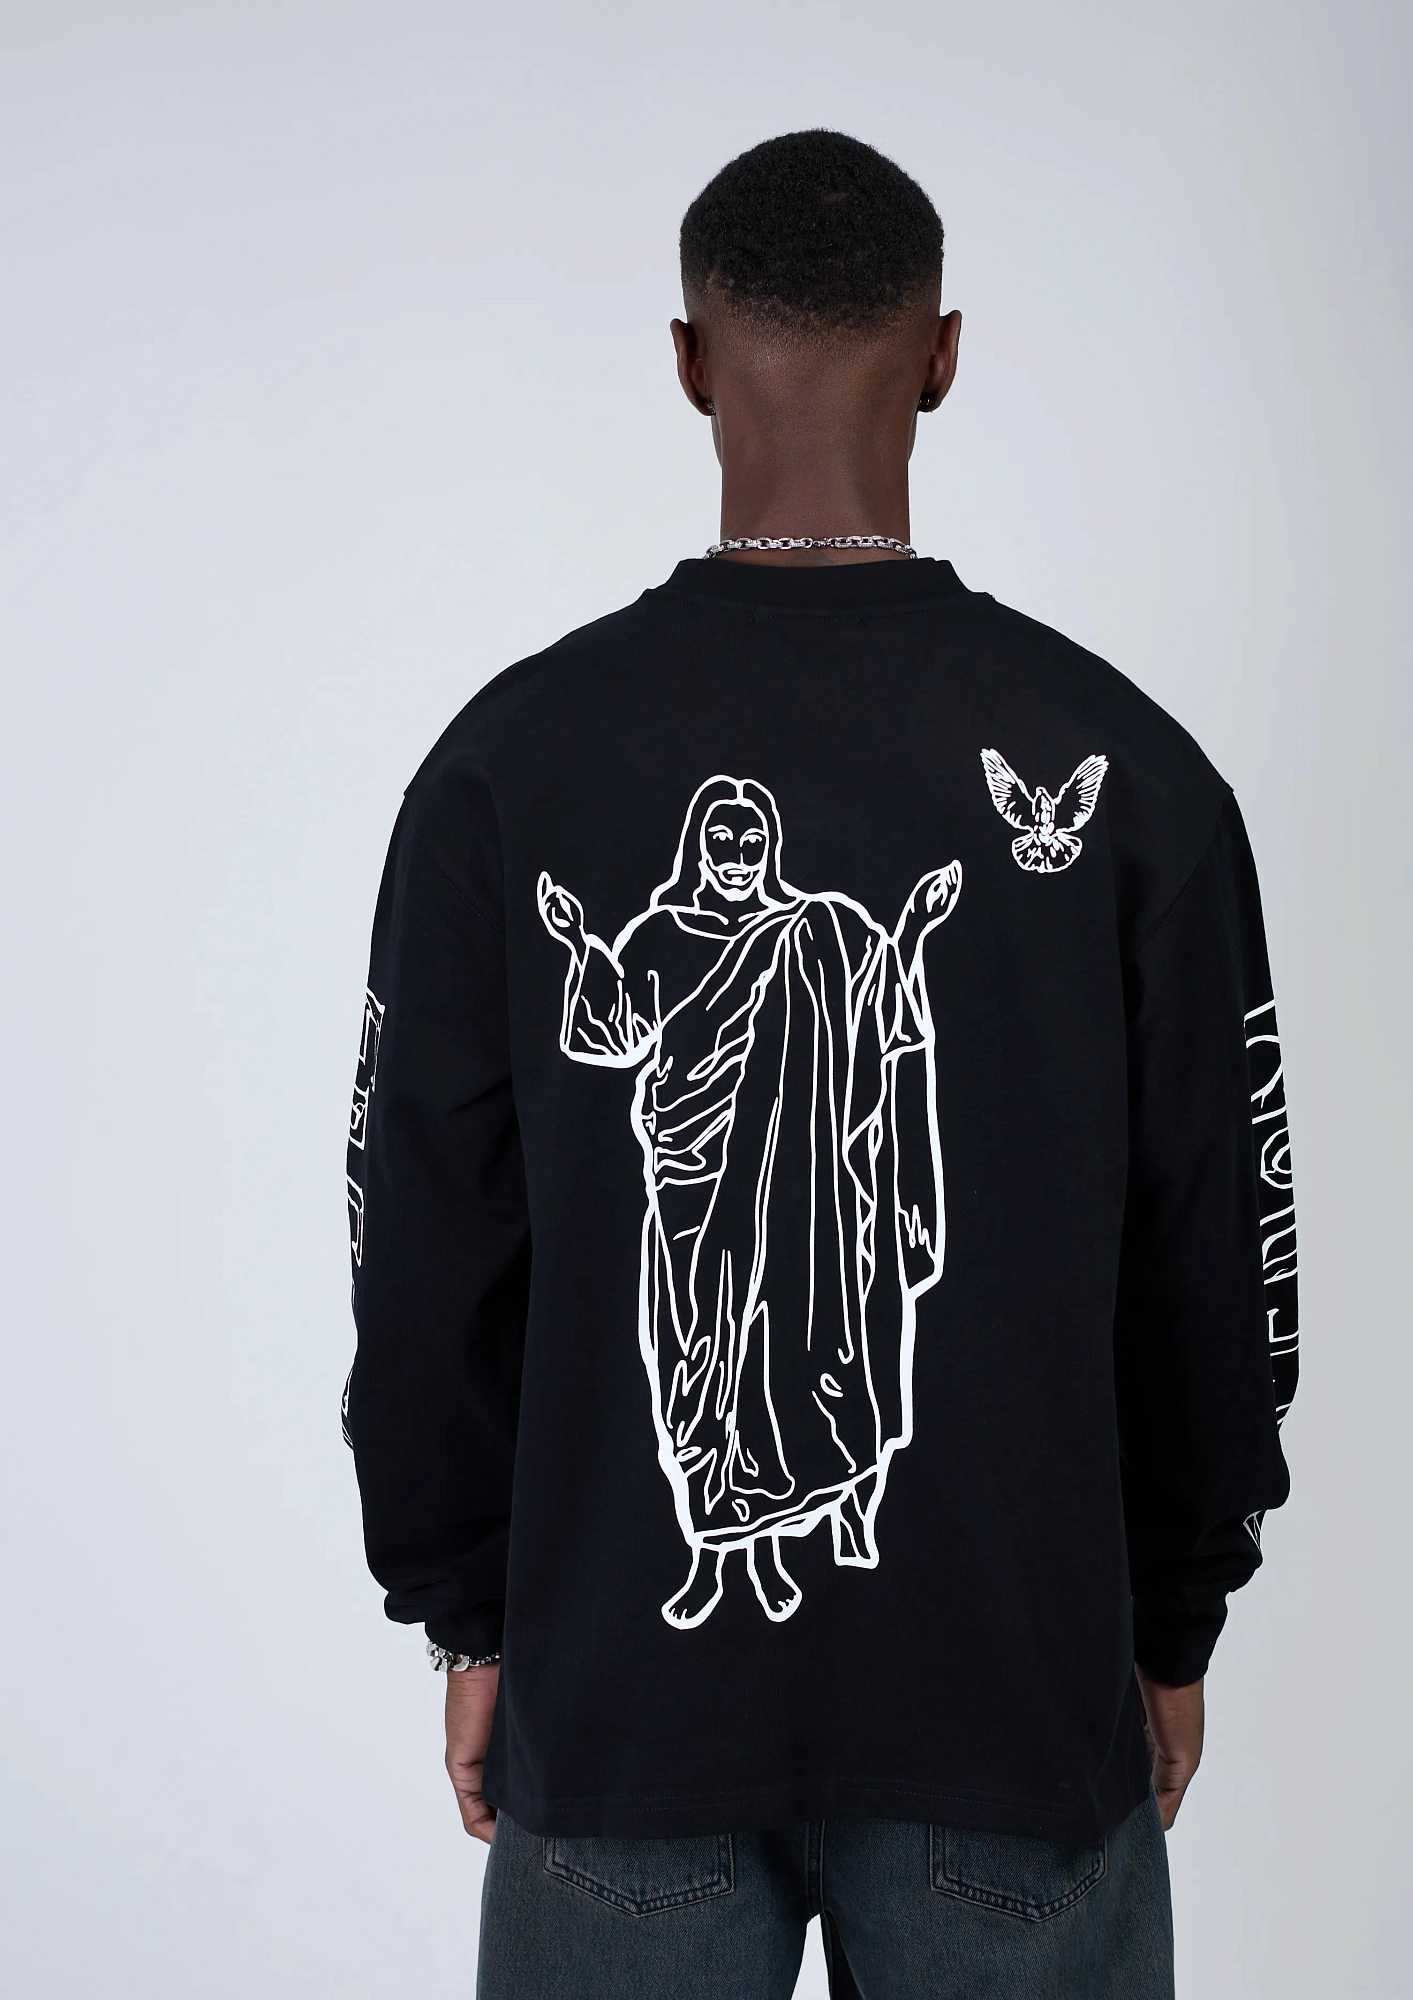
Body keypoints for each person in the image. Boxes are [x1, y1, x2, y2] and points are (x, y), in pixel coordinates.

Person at [344, 129, 1297, 2000]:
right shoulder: (1132, 769)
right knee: (726, 1349)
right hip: (1015, 1712)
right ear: (940, 357)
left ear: (688, 360)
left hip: (621, 1719)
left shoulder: (509, 765)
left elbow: (423, 1244)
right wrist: (1174, 1617)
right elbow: (1221, 1240)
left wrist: (471, 1616)